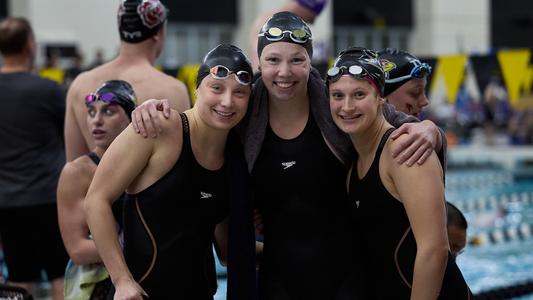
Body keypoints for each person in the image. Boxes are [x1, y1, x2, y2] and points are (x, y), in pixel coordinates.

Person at [131, 11, 447, 300]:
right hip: (276, 280)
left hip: (346, 278)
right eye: (273, 60)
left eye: (297, 60)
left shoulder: (334, 104)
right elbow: (199, 126)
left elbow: (387, 121)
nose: (285, 72)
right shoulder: (243, 110)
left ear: (310, 62)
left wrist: (431, 129)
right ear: (259, 63)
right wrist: (157, 110)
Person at [85, 44, 255, 299]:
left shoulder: (235, 156)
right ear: (197, 89)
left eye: (240, 92)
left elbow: (226, 249)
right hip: (140, 294)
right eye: (216, 88)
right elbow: (96, 200)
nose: (227, 101)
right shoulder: (158, 127)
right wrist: (121, 280)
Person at [327, 46, 472, 299]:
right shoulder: (354, 164)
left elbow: (434, 250)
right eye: (338, 95)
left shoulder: (404, 150)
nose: (346, 106)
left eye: (359, 94)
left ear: (380, 96)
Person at [65, 0, 190, 162]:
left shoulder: (80, 84)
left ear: (120, 30)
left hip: (93, 186)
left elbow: (74, 167)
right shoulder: (172, 89)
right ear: (158, 33)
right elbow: (180, 165)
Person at [0, 17, 68, 300]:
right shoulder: (49, 90)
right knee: (60, 274)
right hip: (48, 197)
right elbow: (70, 136)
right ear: (30, 46)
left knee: (20, 277)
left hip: (8, 201)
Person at [57, 80, 136, 299]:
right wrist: (139, 245)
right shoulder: (76, 173)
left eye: (109, 112)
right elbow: (78, 250)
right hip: (98, 287)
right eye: (91, 112)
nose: (96, 120)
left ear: (132, 117)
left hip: (144, 276)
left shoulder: (144, 166)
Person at [248, 0, 328, 72]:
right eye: (311, 16)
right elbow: (259, 66)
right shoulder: (268, 23)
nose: (312, 22)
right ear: (305, 6)